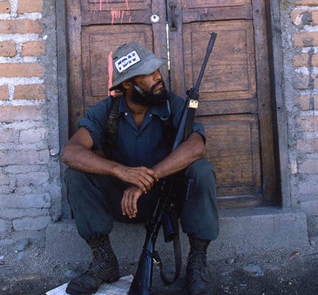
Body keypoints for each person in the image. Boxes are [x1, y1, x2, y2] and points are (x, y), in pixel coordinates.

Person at [62, 41, 219, 295]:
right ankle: (103, 261)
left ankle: (197, 263)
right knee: (76, 173)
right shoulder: (107, 111)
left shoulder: (172, 104)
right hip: (121, 201)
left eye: (157, 70)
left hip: (165, 200)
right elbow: (71, 152)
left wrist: (150, 176)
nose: (159, 77)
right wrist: (119, 170)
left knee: (201, 170)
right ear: (127, 84)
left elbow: (196, 146)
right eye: (149, 73)